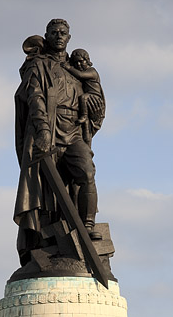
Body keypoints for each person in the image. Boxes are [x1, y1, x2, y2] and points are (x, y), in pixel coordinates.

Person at [14, 19, 105, 266]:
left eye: (63, 32)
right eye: (53, 32)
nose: (58, 36)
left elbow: (97, 102)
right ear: (47, 36)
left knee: (86, 172)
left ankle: (87, 226)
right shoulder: (38, 65)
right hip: (49, 130)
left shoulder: (77, 67)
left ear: (69, 37)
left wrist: (92, 100)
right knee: (45, 192)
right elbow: (34, 99)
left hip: (74, 130)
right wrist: (43, 130)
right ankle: (47, 245)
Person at [61, 49, 105, 145]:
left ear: (87, 60)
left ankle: (84, 115)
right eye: (76, 62)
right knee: (85, 126)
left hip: (94, 96)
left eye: (81, 61)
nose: (79, 64)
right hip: (89, 97)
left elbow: (80, 75)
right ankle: (86, 142)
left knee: (83, 98)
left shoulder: (92, 71)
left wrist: (68, 68)